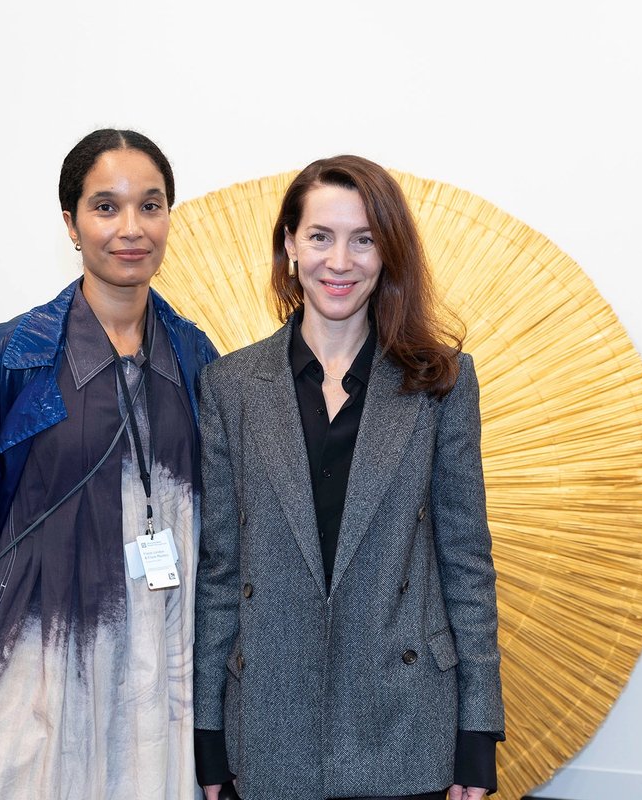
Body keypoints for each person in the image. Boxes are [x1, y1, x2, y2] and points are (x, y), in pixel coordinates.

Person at [0, 128, 218, 800]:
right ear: (71, 224)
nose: (131, 228)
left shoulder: (198, 359)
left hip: (163, 686)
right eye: (106, 207)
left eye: (151, 205)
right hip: (35, 688)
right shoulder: (12, 360)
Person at [193, 155, 505, 800]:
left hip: (408, 723)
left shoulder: (441, 383)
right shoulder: (230, 386)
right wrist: (209, 736)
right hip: (268, 724)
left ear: (388, 253)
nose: (340, 261)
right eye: (320, 236)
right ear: (289, 244)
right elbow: (221, 570)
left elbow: (466, 562)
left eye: (363, 239)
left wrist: (477, 735)